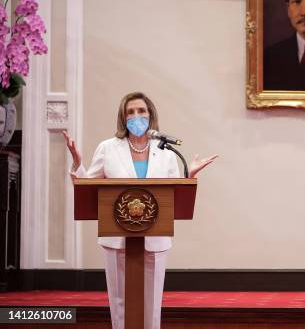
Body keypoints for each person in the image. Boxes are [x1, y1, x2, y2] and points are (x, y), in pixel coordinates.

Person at [62, 92, 218, 329]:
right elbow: (87, 188)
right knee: (119, 303)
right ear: (123, 118)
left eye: (141, 111)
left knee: (152, 305)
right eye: (130, 112)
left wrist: (189, 175)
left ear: (151, 115)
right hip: (117, 240)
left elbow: (172, 192)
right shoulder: (108, 148)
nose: (136, 116)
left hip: (155, 239)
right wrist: (76, 163)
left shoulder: (165, 151)